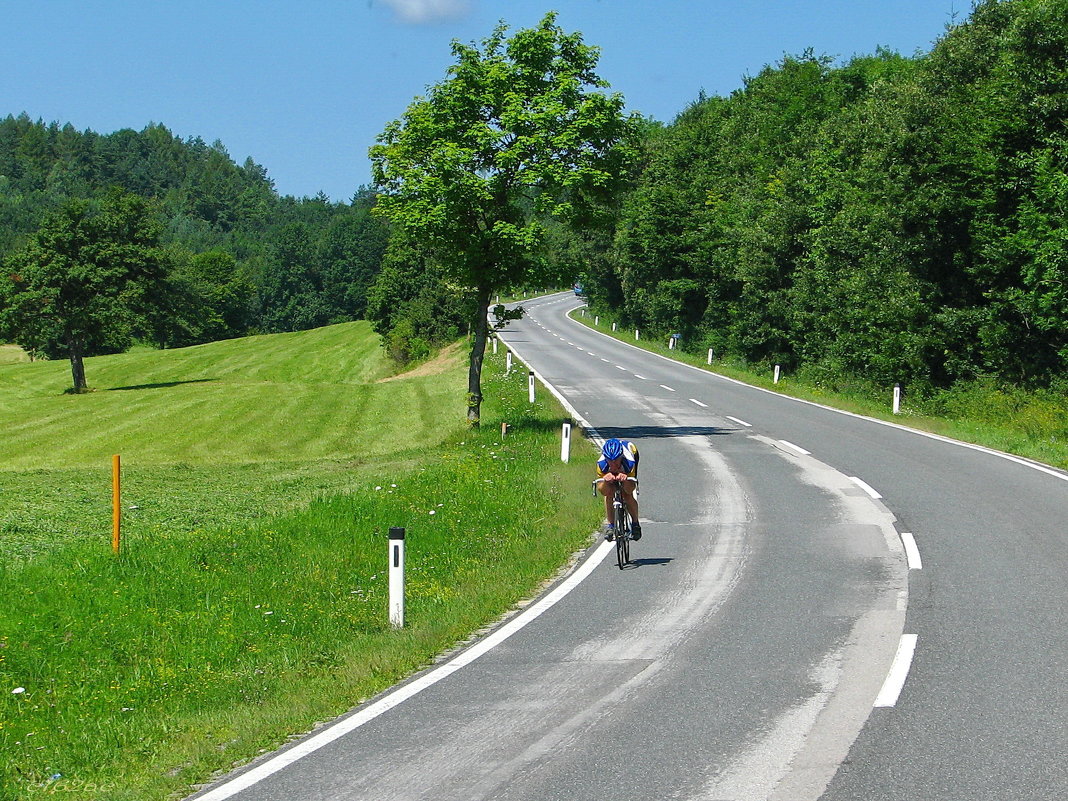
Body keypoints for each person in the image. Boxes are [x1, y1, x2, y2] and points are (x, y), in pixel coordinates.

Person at [596, 438, 641, 541]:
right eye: (610, 461)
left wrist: (625, 480)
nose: (613, 465)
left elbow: (630, 489)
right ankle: (611, 526)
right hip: (609, 474)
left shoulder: (629, 462)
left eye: (616, 461)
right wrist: (606, 481)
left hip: (632, 452)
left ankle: (635, 524)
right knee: (609, 494)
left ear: (621, 457)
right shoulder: (601, 464)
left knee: (626, 494)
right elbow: (603, 491)